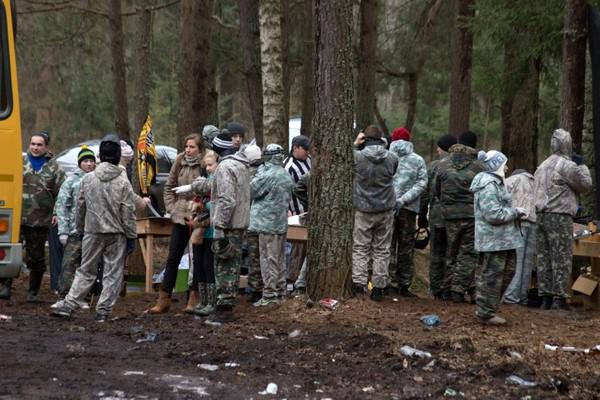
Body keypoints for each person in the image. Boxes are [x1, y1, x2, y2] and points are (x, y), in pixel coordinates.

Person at [52, 134, 136, 321]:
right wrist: (131, 236)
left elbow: (80, 207)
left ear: (100, 155)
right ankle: (103, 312)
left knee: (85, 270)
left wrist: (81, 229)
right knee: (112, 274)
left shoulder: (88, 179)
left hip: (92, 232)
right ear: (117, 156)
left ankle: (68, 304)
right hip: (116, 234)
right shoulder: (123, 182)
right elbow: (128, 213)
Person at [176, 137, 259, 323]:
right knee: (228, 265)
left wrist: (219, 225)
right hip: (238, 223)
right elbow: (215, 187)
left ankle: (224, 309)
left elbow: (226, 199)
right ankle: (221, 306)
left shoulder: (225, 167)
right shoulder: (240, 165)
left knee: (224, 267)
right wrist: (193, 186)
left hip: (228, 226)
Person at [1, 131, 65, 302]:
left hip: (39, 220)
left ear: (46, 147)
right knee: (9, 253)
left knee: (36, 258)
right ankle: (6, 287)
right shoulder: (19, 162)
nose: (35, 147)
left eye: (39, 145)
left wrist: (57, 212)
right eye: (33, 144)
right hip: (16, 218)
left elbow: (63, 193)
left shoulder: (54, 168)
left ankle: (33, 292)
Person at [534, 128, 592, 310]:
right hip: (559, 216)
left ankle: (545, 297)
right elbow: (585, 185)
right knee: (561, 257)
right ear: (567, 144)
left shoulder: (542, 165)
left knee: (544, 257)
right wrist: (581, 166)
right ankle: (559, 298)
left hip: (541, 216)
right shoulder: (566, 165)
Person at [147, 133, 205, 314]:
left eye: (192, 147)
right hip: (180, 215)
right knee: (173, 257)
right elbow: (168, 185)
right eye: (186, 146)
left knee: (196, 259)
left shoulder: (205, 163)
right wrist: (171, 207)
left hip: (197, 216)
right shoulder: (179, 160)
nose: (188, 150)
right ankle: (164, 298)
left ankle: (194, 298)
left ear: (199, 149)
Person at [470, 150, 525, 325]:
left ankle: (489, 309)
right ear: (496, 166)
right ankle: (485, 313)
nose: (507, 167)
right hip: (493, 241)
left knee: (508, 271)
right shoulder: (488, 185)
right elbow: (493, 214)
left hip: (503, 240)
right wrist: (516, 212)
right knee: (492, 276)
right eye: (504, 164)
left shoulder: (496, 183)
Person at [434, 131, 485, 303]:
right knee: (467, 253)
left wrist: (446, 204)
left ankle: (446, 289)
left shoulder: (442, 164)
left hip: (449, 214)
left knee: (451, 251)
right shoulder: (479, 166)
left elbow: (437, 190)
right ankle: (458, 289)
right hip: (471, 215)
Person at [351, 126, 399, 302]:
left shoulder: (358, 156)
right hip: (385, 208)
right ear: (382, 140)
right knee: (382, 249)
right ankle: (379, 286)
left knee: (360, 247)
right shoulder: (392, 157)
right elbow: (393, 172)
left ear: (365, 139)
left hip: (363, 209)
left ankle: (359, 283)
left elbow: (346, 157)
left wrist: (356, 143)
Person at [248, 144, 295, 306]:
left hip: (266, 224)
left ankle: (269, 295)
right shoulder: (284, 174)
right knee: (279, 259)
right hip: (279, 223)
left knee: (268, 260)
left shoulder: (268, 175)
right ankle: (280, 291)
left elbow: (252, 190)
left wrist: (258, 172)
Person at [51, 146, 96, 308]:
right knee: (69, 264)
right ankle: (63, 296)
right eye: (85, 161)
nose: (89, 164)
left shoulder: (97, 180)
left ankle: (82, 297)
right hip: (73, 230)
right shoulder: (71, 181)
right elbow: (62, 205)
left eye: (91, 161)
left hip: (92, 231)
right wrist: (63, 230)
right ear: (80, 163)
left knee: (87, 265)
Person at [388, 127, 428, 297]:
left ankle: (386, 282)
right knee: (406, 246)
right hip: (409, 209)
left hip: (386, 207)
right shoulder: (417, 160)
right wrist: (405, 199)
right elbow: (422, 183)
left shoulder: (386, 157)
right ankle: (403, 284)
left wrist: (391, 199)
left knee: (387, 245)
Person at [419, 134, 457, 300]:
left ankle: (435, 288)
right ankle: (449, 287)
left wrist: (422, 215)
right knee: (452, 253)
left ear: (444, 148)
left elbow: (426, 193)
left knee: (436, 253)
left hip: (437, 216)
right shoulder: (462, 164)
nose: (437, 149)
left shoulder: (434, 166)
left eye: (439, 147)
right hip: (456, 217)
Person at [502, 168, 536, 305]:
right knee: (527, 263)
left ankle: (511, 296)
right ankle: (522, 296)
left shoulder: (513, 180)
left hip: (518, 222)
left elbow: (501, 197)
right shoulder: (536, 182)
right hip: (533, 223)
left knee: (517, 261)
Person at [191, 150, 219, 317]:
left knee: (209, 266)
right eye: (206, 165)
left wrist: (205, 206)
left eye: (211, 165)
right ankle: (203, 300)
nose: (208, 168)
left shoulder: (218, 182)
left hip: (212, 232)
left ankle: (212, 301)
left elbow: (217, 204)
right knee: (199, 265)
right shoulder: (205, 181)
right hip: (200, 230)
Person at [283, 135, 312, 287]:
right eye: (305, 149)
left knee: (306, 246)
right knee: (296, 248)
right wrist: (288, 209)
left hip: (308, 210)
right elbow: (286, 190)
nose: (307, 152)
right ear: (295, 148)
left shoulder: (309, 161)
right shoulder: (288, 166)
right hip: (295, 211)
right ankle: (292, 279)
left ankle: (302, 278)